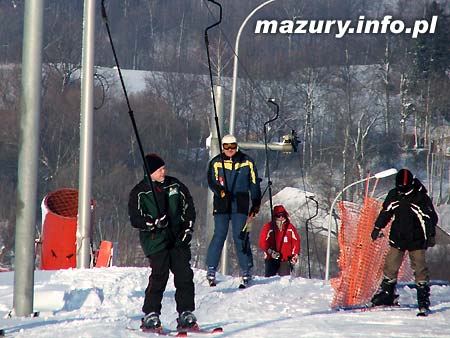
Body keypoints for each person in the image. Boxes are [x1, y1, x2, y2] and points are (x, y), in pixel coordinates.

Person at [128, 153, 197, 331]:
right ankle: (151, 314)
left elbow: (188, 206)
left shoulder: (175, 185)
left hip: (177, 238)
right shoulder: (140, 192)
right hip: (155, 241)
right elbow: (135, 218)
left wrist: (188, 229)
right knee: (160, 275)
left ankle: (186, 313)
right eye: (159, 169)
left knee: (184, 275)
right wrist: (153, 223)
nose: (163, 172)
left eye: (164, 168)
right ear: (150, 172)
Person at [370, 168, 438, 312]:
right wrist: (377, 227)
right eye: (399, 187)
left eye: (404, 188)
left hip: (417, 240)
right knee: (390, 266)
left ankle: (423, 298)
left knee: (420, 268)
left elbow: (429, 218)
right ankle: (387, 294)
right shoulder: (394, 195)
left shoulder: (420, 197)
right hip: (398, 238)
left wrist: (430, 236)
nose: (401, 190)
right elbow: (386, 212)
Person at [205, 134, 262, 286]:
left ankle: (246, 269)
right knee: (219, 234)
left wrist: (256, 202)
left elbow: (254, 182)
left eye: (232, 146)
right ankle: (211, 268)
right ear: (223, 148)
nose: (230, 150)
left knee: (240, 236)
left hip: (240, 203)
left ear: (236, 146)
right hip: (222, 203)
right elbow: (211, 180)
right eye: (226, 147)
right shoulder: (216, 162)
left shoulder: (247, 161)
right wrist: (220, 191)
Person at [259, 205, 300, 277]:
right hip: (271, 259)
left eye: (282, 215)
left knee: (284, 281)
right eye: (278, 215)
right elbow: (262, 242)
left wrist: (295, 255)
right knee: (269, 281)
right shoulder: (268, 227)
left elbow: (296, 242)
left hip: (285, 260)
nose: (281, 217)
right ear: (275, 216)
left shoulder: (290, 228)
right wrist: (270, 252)